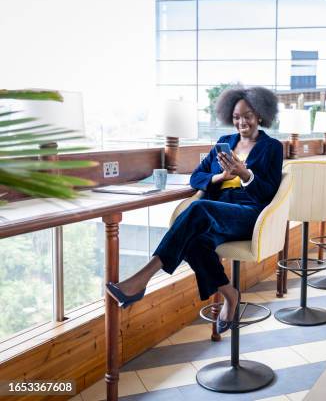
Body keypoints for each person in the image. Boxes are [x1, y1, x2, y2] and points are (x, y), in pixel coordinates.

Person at [106, 86, 284, 334]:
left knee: (199, 208)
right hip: (219, 211)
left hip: (249, 214)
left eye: (247, 115)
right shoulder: (224, 144)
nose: (241, 121)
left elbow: (268, 191)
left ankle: (143, 278)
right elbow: (196, 178)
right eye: (236, 116)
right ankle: (229, 294)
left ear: (260, 115)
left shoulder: (272, 147)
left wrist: (245, 174)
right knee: (193, 242)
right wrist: (220, 176)